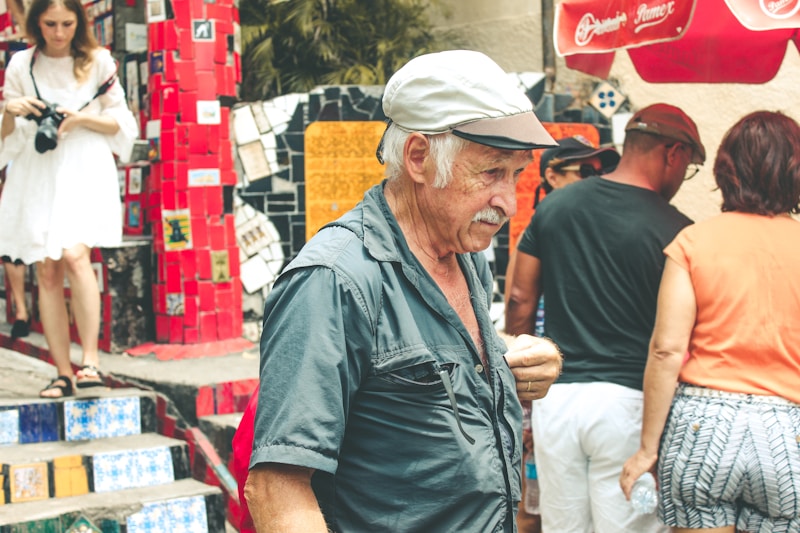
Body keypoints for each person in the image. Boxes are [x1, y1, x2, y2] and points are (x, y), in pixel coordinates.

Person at [243, 50, 564, 532]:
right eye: (491, 172)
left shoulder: (464, 253)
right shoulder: (333, 280)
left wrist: (515, 356)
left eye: (516, 175)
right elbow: (275, 487)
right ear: (419, 158)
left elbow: (428, 370)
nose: (508, 202)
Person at [505, 103, 705, 533]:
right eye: (687, 166)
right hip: (631, 406)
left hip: (555, 401)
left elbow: (519, 298)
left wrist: (524, 393)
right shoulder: (680, 231)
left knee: (563, 526)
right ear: (672, 152)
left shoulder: (555, 207)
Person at [620, 110, 800, 533]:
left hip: (703, 427)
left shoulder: (693, 242)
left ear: (726, 169)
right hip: (787, 430)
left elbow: (666, 349)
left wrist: (647, 449)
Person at [0, 0, 137, 398]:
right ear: (35, 23)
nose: (58, 32)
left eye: (66, 23)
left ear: (79, 23)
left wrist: (78, 119)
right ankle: (62, 372)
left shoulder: (97, 61)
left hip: (83, 163)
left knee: (77, 255)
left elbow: (122, 124)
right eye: (50, 24)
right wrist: (10, 109)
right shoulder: (21, 65)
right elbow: (6, 136)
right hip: (38, 167)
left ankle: (90, 360)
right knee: (46, 269)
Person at [508, 135, 620, 533]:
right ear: (552, 175)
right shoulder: (536, 230)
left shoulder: (600, 228)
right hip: (544, 389)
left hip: (574, 392)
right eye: (586, 171)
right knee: (532, 508)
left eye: (604, 170)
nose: (598, 179)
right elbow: (517, 303)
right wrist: (523, 408)